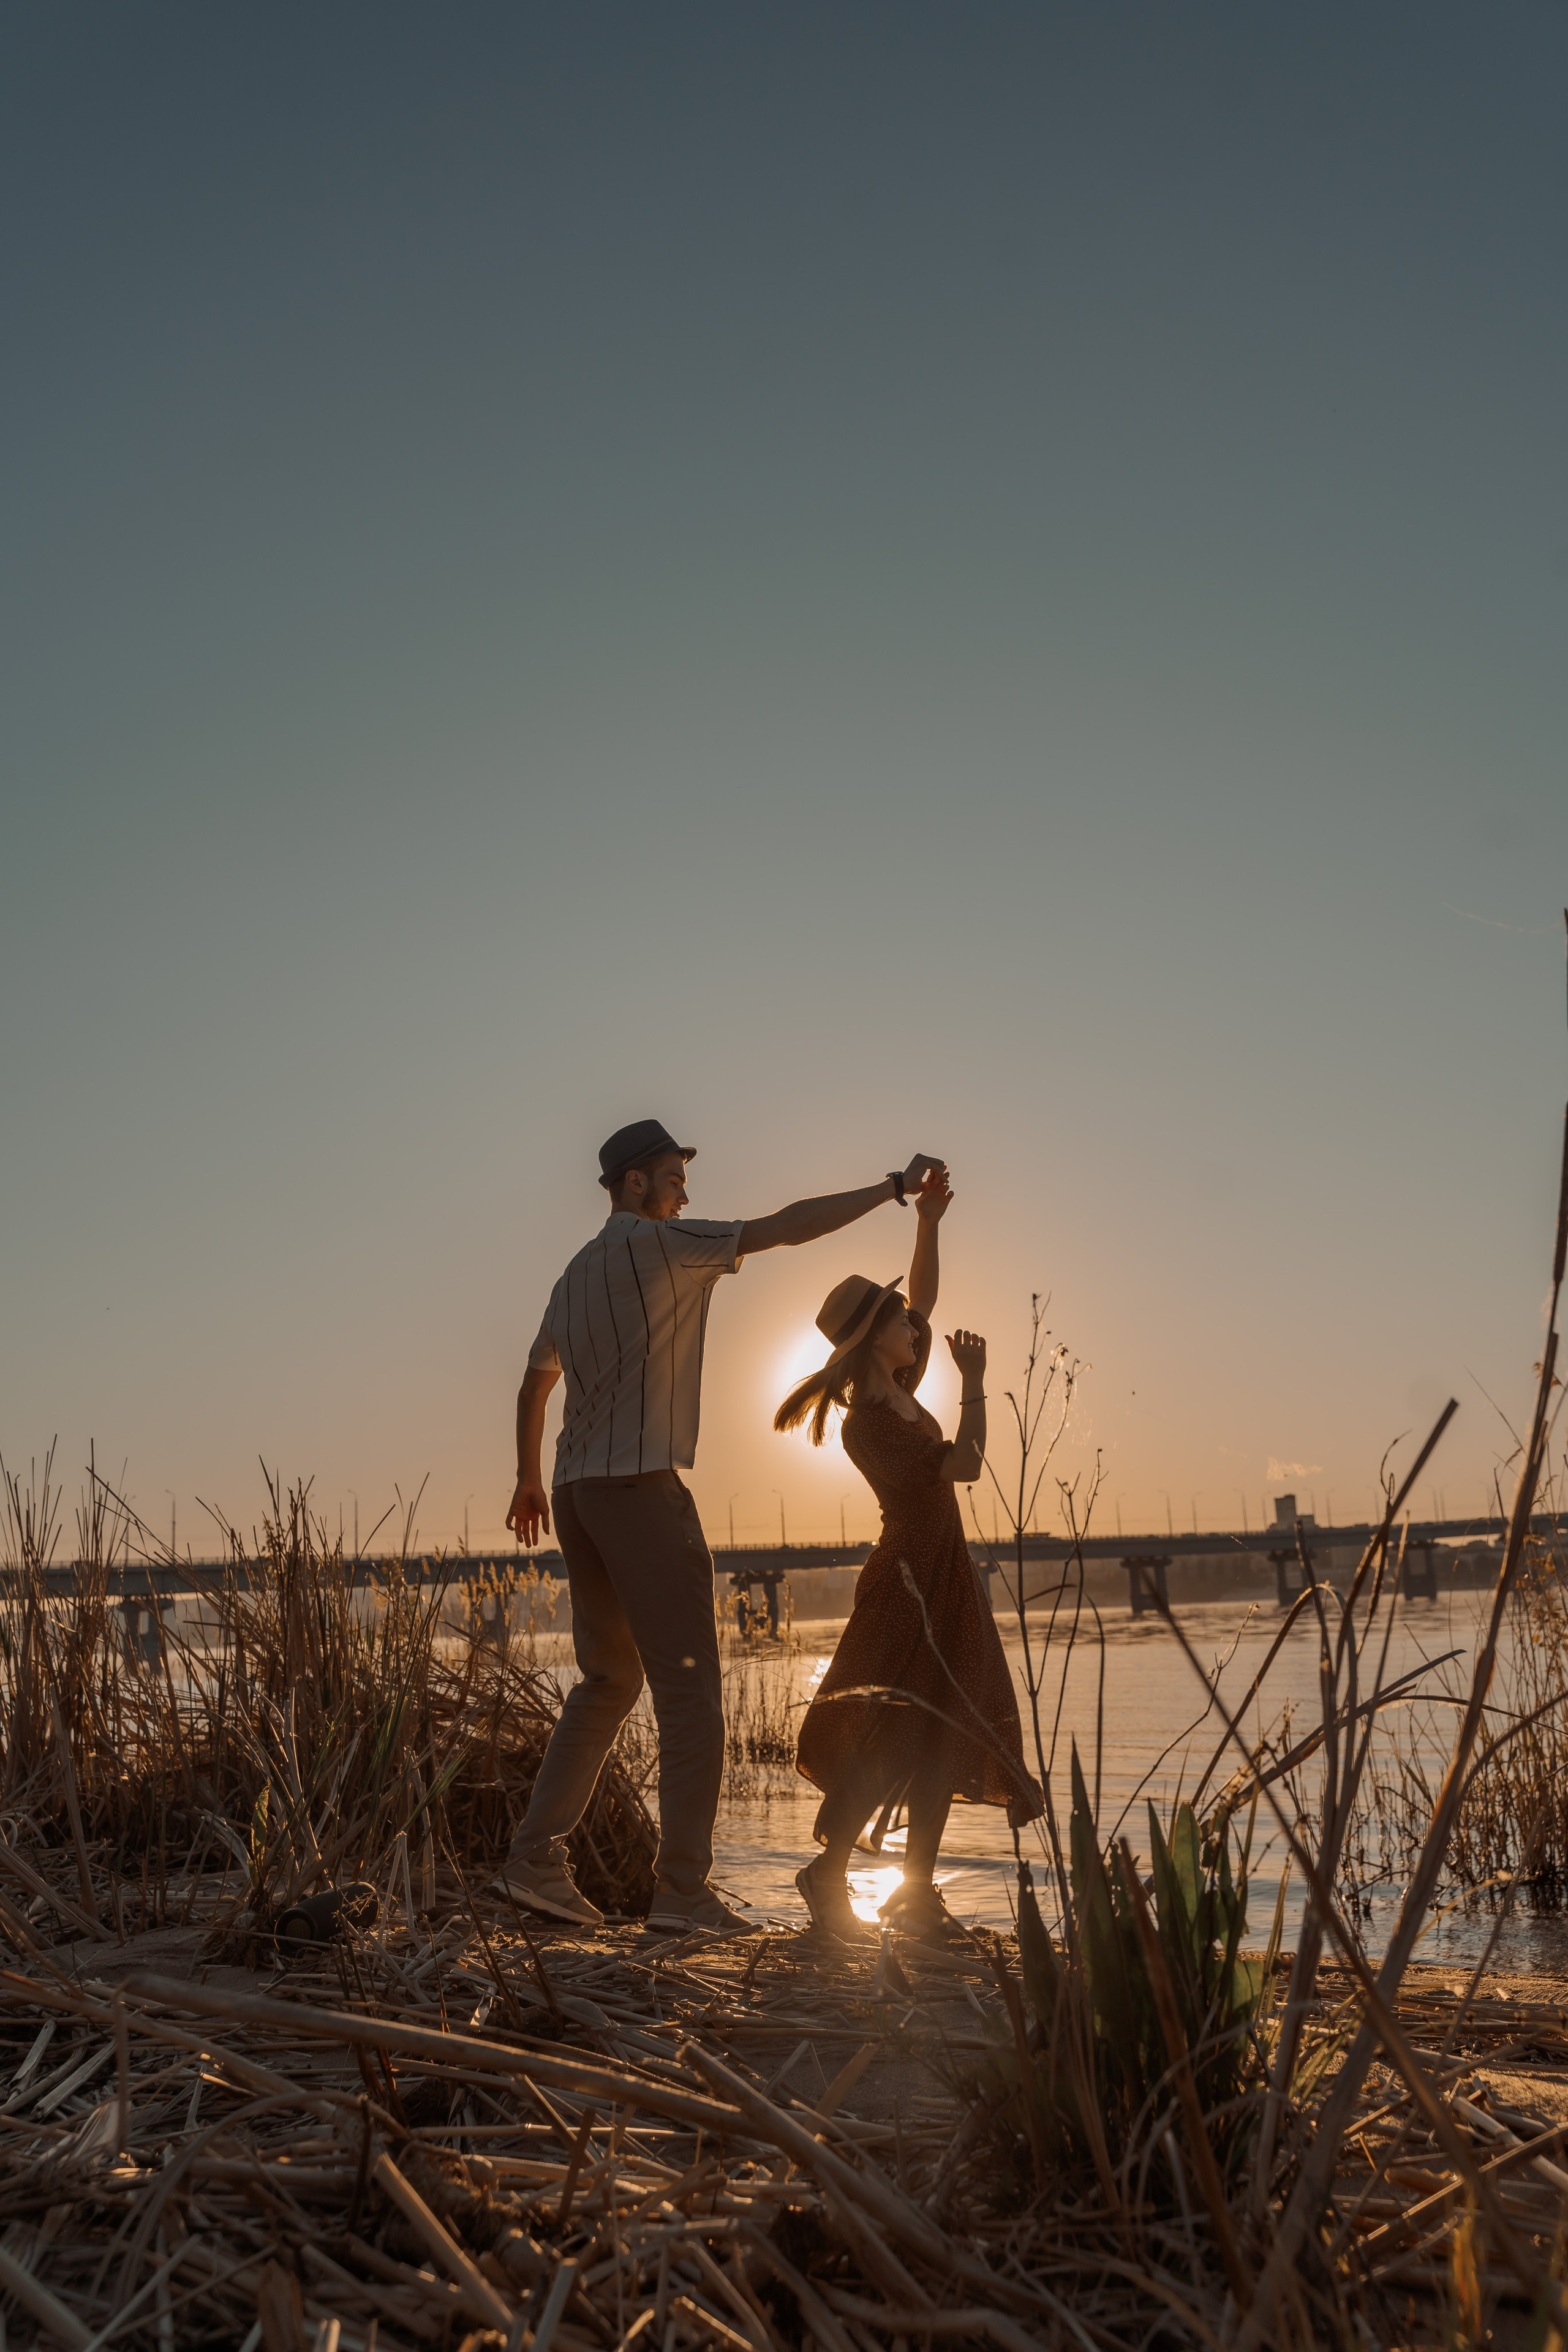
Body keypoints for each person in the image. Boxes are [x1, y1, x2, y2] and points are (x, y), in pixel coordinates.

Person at [499, 1117, 946, 1937]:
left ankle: (532, 1859)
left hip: (575, 1493)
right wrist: (889, 1191)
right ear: (635, 1185)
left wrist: (529, 1478)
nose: (684, 1191)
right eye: (673, 1177)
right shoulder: (662, 1247)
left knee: (608, 1683)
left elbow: (535, 1384)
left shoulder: (572, 1277)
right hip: (639, 1491)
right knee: (693, 1698)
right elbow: (783, 1228)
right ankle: (682, 1894)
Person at [776, 1172, 1043, 1942]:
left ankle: (917, 1895)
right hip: (906, 1584)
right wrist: (977, 1386)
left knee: (945, 1727)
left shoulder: (900, 1387)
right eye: (901, 1326)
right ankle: (827, 1872)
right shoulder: (870, 1424)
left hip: (946, 1575)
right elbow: (963, 1467)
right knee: (897, 1730)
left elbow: (921, 1296)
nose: (918, 1334)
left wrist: (927, 1220)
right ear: (872, 1341)